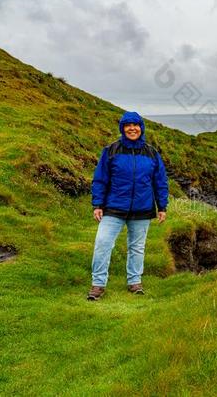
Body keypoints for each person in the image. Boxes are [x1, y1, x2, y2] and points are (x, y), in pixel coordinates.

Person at [87, 111, 168, 301]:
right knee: (103, 243)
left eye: (135, 125)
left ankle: (134, 282)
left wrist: (162, 207)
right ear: (122, 129)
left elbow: (160, 182)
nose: (132, 128)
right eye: (128, 125)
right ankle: (98, 284)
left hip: (142, 208)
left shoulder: (151, 153)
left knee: (137, 247)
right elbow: (100, 179)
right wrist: (97, 204)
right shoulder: (111, 150)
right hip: (113, 207)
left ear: (141, 127)